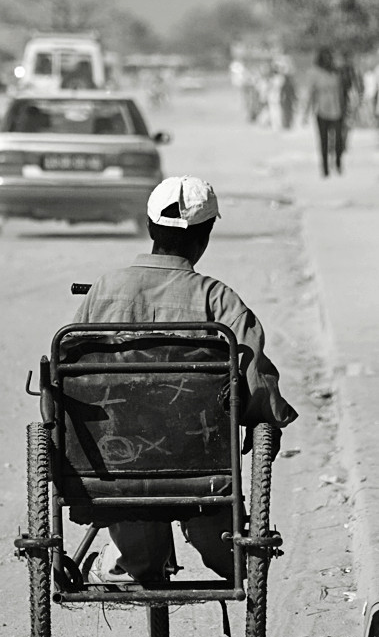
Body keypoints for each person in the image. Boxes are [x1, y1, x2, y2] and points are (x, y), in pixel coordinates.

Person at [73, 175, 298, 583]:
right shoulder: (219, 299)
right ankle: (213, 554)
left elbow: (73, 377)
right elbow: (255, 378)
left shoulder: (103, 290)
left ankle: (131, 558)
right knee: (228, 554)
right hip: (201, 470)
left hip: (114, 468)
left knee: (138, 544)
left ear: (149, 229)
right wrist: (269, 422)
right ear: (206, 235)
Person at [304, 48, 344, 177]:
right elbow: (311, 93)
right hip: (322, 111)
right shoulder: (314, 73)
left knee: (339, 140)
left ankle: (338, 161)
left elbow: (341, 92)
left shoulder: (336, 72)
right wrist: (306, 112)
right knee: (324, 141)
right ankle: (325, 168)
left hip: (337, 110)